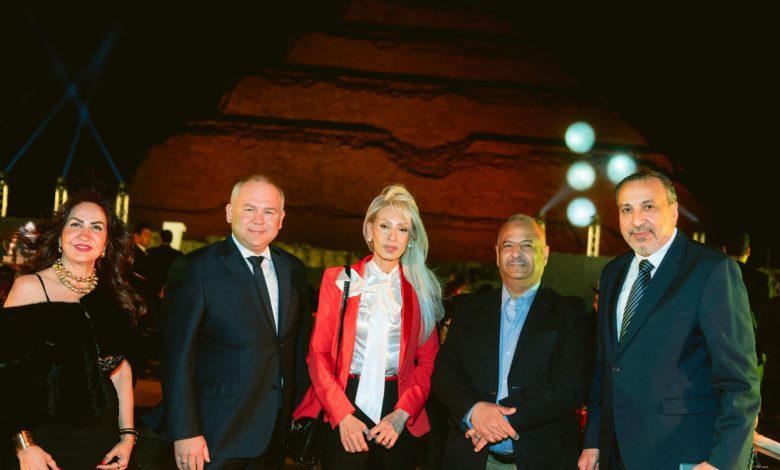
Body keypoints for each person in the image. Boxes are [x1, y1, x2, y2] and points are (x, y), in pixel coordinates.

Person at [578, 171, 760, 470]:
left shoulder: (711, 270)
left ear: (673, 212)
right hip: (615, 453)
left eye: (648, 207)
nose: (637, 221)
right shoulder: (612, 273)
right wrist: (594, 439)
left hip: (685, 454)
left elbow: (740, 383)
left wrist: (723, 461)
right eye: (627, 209)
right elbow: (605, 366)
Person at [157, 175, 311, 470]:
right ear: (230, 212)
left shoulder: (293, 270)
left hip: (274, 434)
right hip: (214, 435)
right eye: (249, 209)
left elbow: (296, 348)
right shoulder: (195, 269)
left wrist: (300, 415)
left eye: (269, 211)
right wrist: (185, 431)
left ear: (281, 219)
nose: (259, 220)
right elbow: (176, 358)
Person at [293, 184, 443, 470]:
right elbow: (318, 354)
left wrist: (402, 414)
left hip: (399, 406)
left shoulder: (421, 290)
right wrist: (341, 414)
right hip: (344, 399)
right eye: (384, 226)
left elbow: (428, 361)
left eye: (402, 229)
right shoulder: (339, 280)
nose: (392, 237)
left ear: (411, 238)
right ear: (370, 229)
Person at [432, 214, 594, 469]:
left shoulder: (571, 313)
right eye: (508, 245)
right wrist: (474, 411)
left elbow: (571, 384)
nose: (516, 253)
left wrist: (499, 419)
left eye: (527, 245)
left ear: (545, 254)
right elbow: (444, 371)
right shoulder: (468, 309)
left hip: (541, 459)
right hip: (470, 457)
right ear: (497, 254)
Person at [0, 190, 142, 469]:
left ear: (106, 244)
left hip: (102, 443)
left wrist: (127, 437)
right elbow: (7, 376)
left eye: (96, 227)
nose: (84, 234)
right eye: (76, 224)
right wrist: (24, 446)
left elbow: (121, 370)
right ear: (60, 237)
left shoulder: (113, 294)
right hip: (42, 440)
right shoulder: (30, 287)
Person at [147, 229, 183, 296]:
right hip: (170, 290)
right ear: (171, 240)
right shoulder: (178, 255)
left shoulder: (151, 252)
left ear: (160, 238)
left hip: (152, 289)